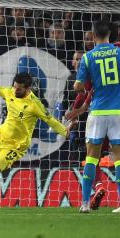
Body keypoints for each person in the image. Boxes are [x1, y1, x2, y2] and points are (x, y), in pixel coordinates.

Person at [0, 55, 69, 207]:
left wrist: (67, 133)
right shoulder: (10, 92)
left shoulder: (35, 104)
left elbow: (51, 121)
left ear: (29, 88)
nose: (15, 90)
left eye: (19, 88)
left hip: (14, 147)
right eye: (15, 86)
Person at [74, 20, 120, 213]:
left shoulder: (87, 57)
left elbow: (78, 86)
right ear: (111, 34)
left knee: (92, 158)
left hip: (98, 112)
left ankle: (85, 203)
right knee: (119, 158)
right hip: (118, 111)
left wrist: (89, 82)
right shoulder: (119, 52)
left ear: (93, 36)